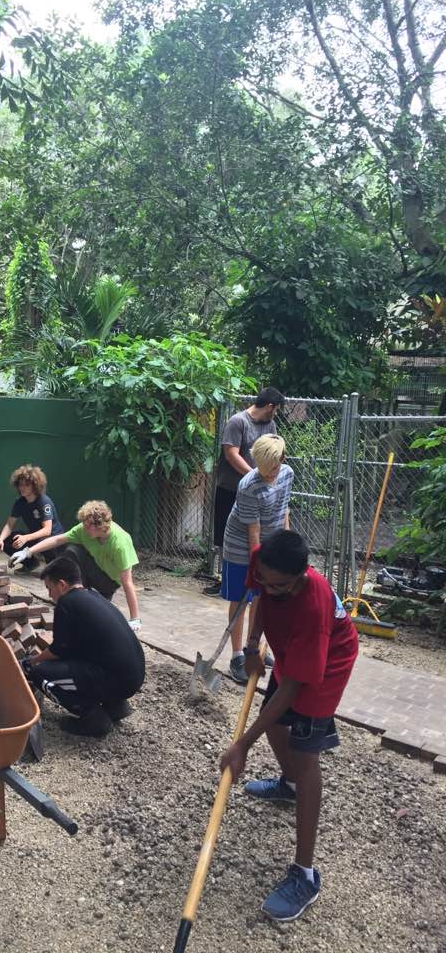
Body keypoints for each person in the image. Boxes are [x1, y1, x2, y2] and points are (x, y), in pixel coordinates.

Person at [219, 530, 358, 922]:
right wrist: (252, 646)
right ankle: (289, 785)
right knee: (276, 724)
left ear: (301, 575)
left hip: (326, 665)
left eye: (281, 585)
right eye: (266, 579)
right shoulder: (265, 562)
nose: (270, 586)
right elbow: (260, 597)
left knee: (304, 751)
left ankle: (305, 875)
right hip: (291, 651)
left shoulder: (313, 608)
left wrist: (242, 744)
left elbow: (293, 688)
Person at [23, 555, 146, 737]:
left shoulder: (66, 603)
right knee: (83, 662)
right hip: (134, 675)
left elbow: (58, 650)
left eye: (49, 588)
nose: (49, 595)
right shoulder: (94, 595)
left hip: (119, 680)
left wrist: (32, 662)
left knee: (41, 673)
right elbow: (76, 647)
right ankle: (115, 707)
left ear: (62, 585)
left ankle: (93, 720)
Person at [221, 434, 293, 683]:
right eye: (263, 468)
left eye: (273, 468)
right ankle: (237, 656)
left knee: (261, 598)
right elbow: (253, 532)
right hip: (240, 546)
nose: (268, 473)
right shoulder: (248, 486)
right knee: (241, 597)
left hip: (269, 542)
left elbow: (284, 509)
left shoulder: (287, 474)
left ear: (282, 459)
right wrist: (257, 564)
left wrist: (285, 545)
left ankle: (253, 648)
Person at [9, 500, 141, 630]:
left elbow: (127, 582)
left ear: (97, 526)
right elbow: (57, 539)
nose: (83, 527)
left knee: (75, 551)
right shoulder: (84, 530)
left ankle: (93, 598)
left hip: (109, 583)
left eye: (86, 525)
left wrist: (134, 618)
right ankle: (74, 598)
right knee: (72, 551)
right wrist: (27, 552)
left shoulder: (120, 543)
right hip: (95, 570)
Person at [213, 387, 286, 555]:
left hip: (258, 493)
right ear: (269, 406)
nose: (276, 414)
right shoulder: (238, 422)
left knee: (256, 538)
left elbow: (274, 452)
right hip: (231, 489)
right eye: (276, 410)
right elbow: (231, 455)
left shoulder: (270, 425)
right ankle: (227, 570)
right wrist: (257, 476)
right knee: (228, 540)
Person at [0, 465, 63, 568]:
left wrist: (26, 538)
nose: (22, 488)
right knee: (7, 541)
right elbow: (9, 525)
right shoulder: (20, 502)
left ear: (35, 486)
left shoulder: (44, 502)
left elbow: (47, 531)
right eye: (20, 484)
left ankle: (53, 565)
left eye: (26, 485)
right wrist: (0, 539)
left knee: (54, 571)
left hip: (53, 541)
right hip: (35, 537)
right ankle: (31, 564)